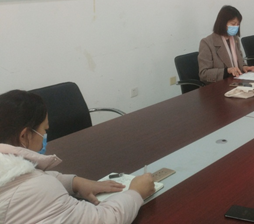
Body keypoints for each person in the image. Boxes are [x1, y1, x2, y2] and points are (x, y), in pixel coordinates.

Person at [0, 90, 155, 224]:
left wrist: (74, 182)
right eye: (44, 130)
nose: (45, 135)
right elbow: (103, 219)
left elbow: (23, 178)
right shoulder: (37, 189)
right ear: (24, 136)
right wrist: (136, 193)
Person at [198, 5, 254, 84]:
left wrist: (244, 67)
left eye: (238, 24)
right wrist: (227, 71)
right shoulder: (207, 43)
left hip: (236, 81)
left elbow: (239, 62)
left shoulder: (235, 39)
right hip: (219, 85)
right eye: (233, 24)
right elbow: (204, 74)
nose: (236, 27)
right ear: (222, 24)